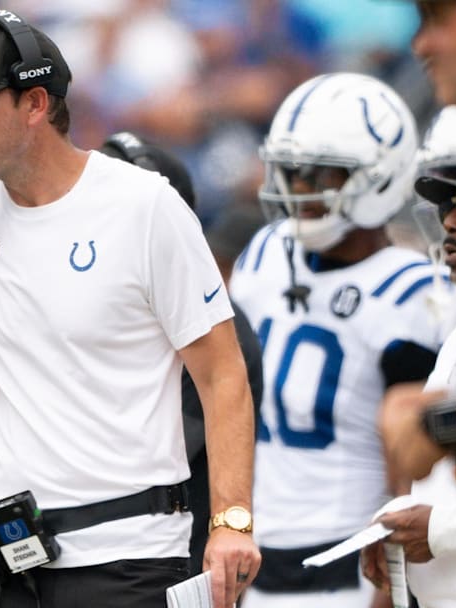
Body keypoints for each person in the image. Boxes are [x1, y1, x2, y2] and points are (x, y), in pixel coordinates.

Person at [0, 10, 260, 608]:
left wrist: (231, 522)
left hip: (128, 556)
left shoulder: (143, 206)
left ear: (35, 104)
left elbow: (223, 373)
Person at [229, 71, 446, 608]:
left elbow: (418, 459)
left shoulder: (413, 292)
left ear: (381, 176)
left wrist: (393, 583)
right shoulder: (264, 254)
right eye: (293, 172)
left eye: (322, 174)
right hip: (251, 557)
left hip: (350, 563)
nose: (301, 190)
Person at [98, 131, 265, 577]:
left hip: (170, 553)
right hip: (102, 550)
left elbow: (158, 451)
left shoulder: (216, 325)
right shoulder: (96, 308)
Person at [362, 106, 456, 608]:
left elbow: (413, 427)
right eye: (445, 203)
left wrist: (440, 529)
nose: (450, 220)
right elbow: (417, 454)